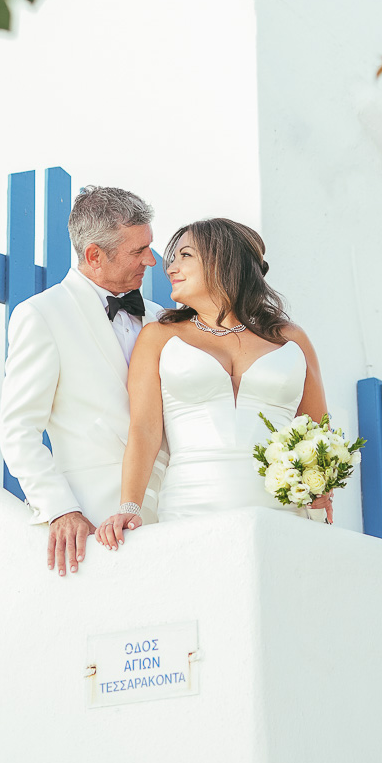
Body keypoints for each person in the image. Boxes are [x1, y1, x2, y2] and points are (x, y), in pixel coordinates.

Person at [96, 218, 332, 549]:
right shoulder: (160, 337)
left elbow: (317, 430)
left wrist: (321, 486)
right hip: (190, 506)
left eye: (185, 255)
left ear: (223, 259)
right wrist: (129, 507)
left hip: (285, 512)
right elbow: (144, 430)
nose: (170, 267)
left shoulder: (290, 339)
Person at [0, 186, 169, 577]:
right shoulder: (42, 315)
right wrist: (61, 508)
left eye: (150, 246)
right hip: (95, 524)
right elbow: (19, 428)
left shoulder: (160, 318)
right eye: (137, 251)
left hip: (171, 511)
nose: (152, 260)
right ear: (94, 255)